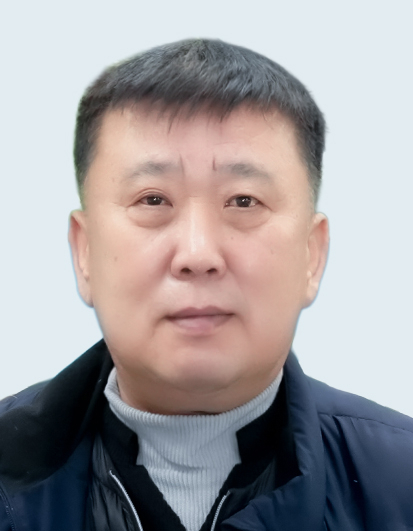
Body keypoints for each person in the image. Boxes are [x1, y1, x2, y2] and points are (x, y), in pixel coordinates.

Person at [0, 38, 412, 531]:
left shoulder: (400, 483)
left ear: (312, 253)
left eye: (243, 201)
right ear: (84, 252)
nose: (198, 255)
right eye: (153, 200)